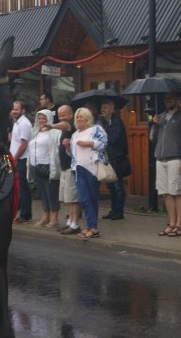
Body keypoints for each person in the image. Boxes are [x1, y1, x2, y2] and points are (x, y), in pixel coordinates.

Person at [150, 92, 181, 237]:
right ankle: (172, 222)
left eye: (170, 97)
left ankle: (180, 224)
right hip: (160, 158)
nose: (167, 100)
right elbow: (152, 138)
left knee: (178, 192)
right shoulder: (161, 117)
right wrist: (155, 125)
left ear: (177, 99)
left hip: (176, 158)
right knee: (166, 192)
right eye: (165, 98)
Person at [69, 107, 107, 239]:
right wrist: (67, 147)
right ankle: (91, 226)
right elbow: (72, 154)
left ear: (87, 118)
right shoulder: (75, 134)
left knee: (92, 198)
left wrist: (88, 143)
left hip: (92, 168)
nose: (79, 119)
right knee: (84, 199)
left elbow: (103, 144)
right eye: (77, 117)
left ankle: (93, 227)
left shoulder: (96, 129)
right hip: (78, 169)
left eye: (81, 116)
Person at [27, 109, 63, 228]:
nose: (42, 120)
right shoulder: (35, 132)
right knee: (42, 193)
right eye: (40, 118)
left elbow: (58, 149)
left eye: (44, 118)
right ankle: (45, 216)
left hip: (48, 165)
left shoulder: (54, 132)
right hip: (35, 165)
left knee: (51, 192)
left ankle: (54, 218)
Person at [98, 99, 129, 220]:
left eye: (105, 107)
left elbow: (113, 139)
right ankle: (113, 209)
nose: (102, 110)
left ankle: (119, 211)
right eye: (102, 108)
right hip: (107, 158)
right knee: (110, 186)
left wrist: (102, 132)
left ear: (112, 110)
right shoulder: (102, 122)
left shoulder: (117, 122)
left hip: (117, 158)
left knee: (118, 186)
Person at [54, 105, 82, 234]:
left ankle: (75, 224)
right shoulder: (65, 128)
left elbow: (65, 125)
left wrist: (51, 126)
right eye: (59, 116)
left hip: (72, 167)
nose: (62, 118)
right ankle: (70, 222)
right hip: (64, 167)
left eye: (64, 115)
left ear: (71, 115)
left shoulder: (71, 126)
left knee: (74, 198)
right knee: (68, 198)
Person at [10, 100, 33, 224]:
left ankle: (26, 214)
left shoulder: (24, 123)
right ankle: (21, 212)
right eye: (13, 109)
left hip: (21, 159)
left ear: (23, 110)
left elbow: (24, 144)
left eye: (17, 109)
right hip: (17, 159)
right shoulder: (16, 123)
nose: (14, 111)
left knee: (23, 188)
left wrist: (15, 158)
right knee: (19, 188)